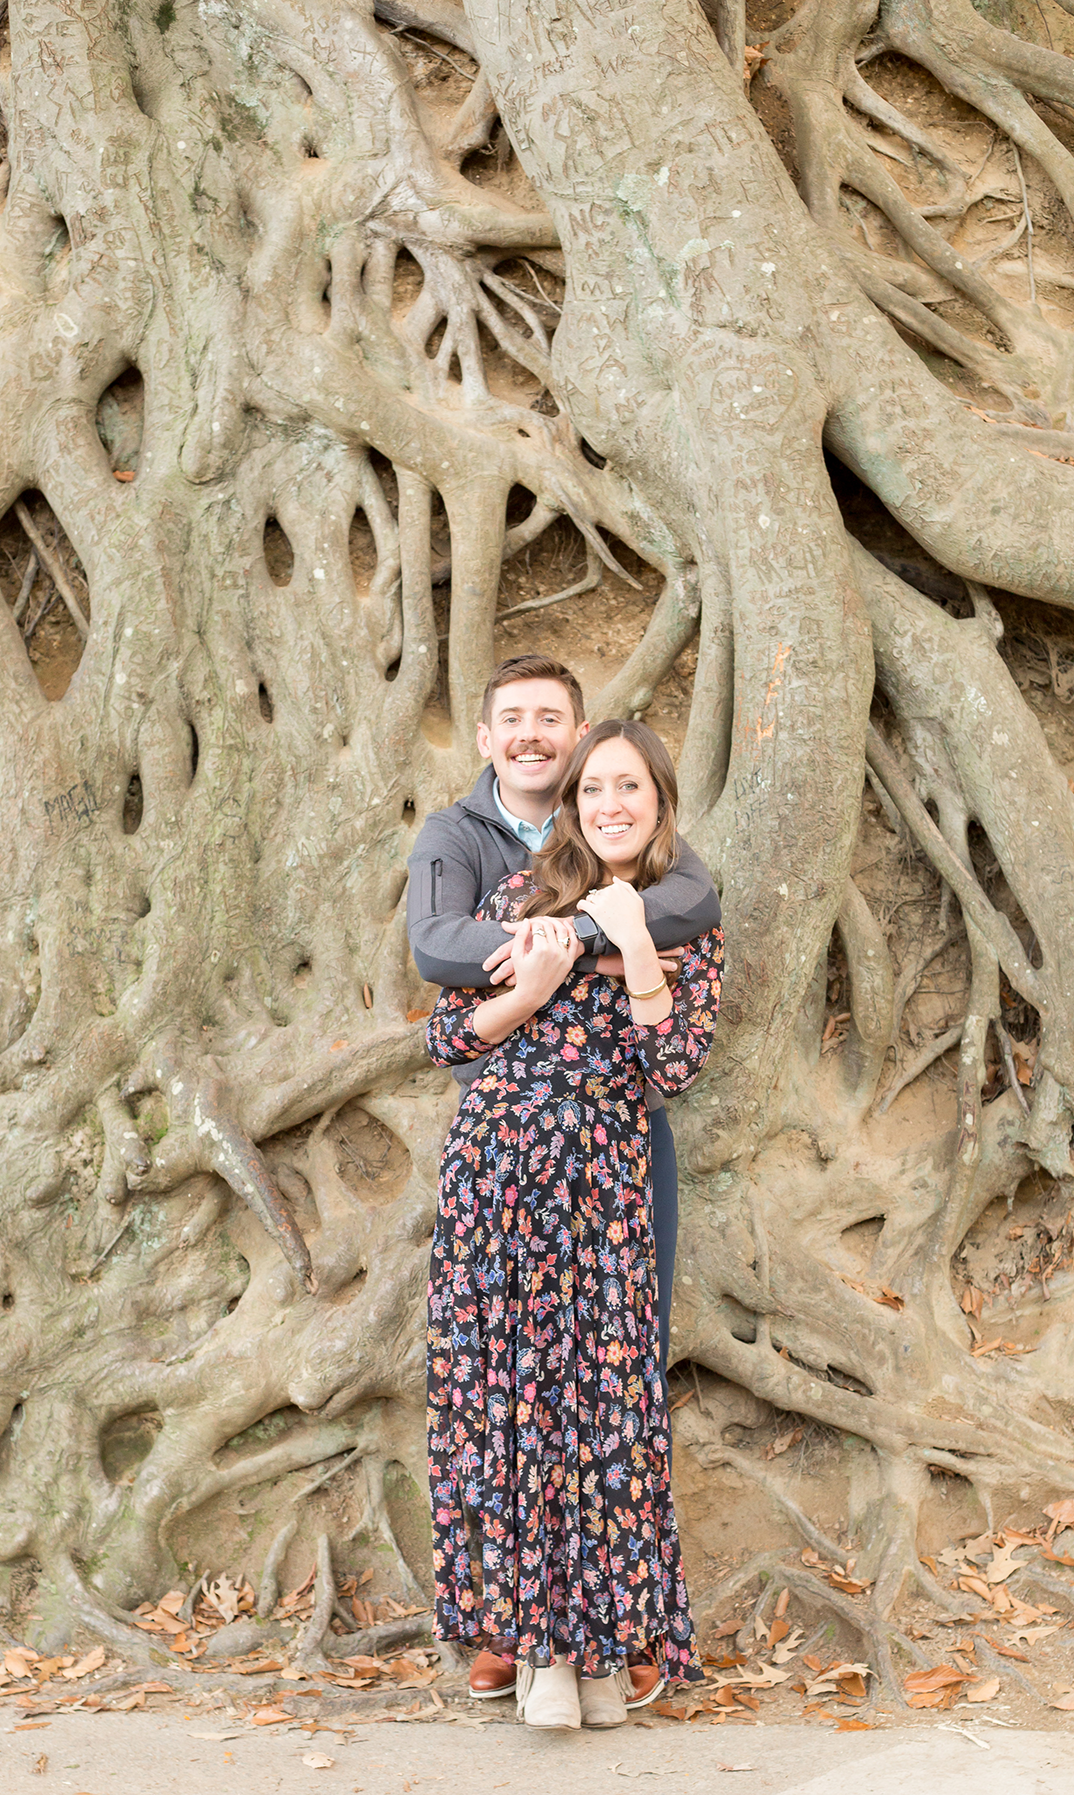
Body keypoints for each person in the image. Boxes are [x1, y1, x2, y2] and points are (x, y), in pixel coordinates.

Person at [406, 655, 721, 1706]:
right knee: (506, 1397)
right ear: (493, 738)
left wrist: (625, 947)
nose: (607, 798)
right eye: (597, 787)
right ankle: (517, 1625)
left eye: (627, 782)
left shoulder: (679, 903)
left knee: (609, 1400)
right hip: (501, 1169)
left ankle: (611, 1625)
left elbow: (669, 1067)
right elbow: (449, 1027)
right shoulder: (488, 868)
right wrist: (537, 965)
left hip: (611, 1175)